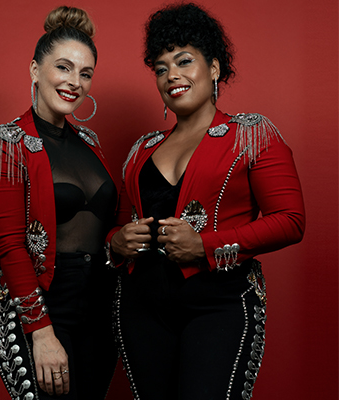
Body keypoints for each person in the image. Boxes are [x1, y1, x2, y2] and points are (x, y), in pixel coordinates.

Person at [106, 3, 305, 400]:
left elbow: (291, 220)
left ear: (214, 68)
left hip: (219, 304)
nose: (171, 76)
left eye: (183, 61)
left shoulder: (251, 135)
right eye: (161, 68)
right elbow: (118, 227)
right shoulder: (141, 151)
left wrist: (205, 246)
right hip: (142, 309)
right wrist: (116, 243)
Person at [0, 6, 117, 400]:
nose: (75, 82)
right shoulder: (6, 144)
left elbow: (110, 224)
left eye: (85, 73)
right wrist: (40, 330)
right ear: (35, 70)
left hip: (97, 310)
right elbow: (9, 244)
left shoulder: (91, 144)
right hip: (39, 308)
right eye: (63, 67)